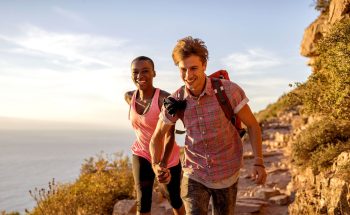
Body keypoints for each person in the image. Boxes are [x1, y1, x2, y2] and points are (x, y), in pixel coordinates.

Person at [150, 37, 267, 215]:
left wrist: (259, 162)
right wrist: (156, 164)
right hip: (194, 172)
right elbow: (157, 136)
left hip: (227, 171)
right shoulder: (176, 100)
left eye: (194, 68)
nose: (188, 75)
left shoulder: (229, 91)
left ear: (204, 65)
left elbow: (252, 125)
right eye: (183, 69)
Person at [125, 56, 185, 215]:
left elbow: (169, 136)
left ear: (154, 73)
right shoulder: (130, 97)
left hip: (167, 157)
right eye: (135, 72)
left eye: (145, 71)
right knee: (142, 201)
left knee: (174, 199)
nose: (139, 76)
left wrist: (162, 164)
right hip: (142, 153)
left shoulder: (164, 99)